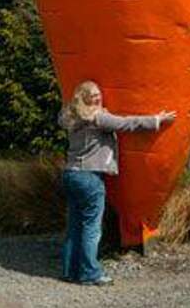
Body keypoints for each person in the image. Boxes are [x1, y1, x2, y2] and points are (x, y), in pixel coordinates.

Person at [58, 80, 176, 285]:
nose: (98, 97)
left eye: (98, 94)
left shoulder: (72, 118)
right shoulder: (98, 118)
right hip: (90, 177)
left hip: (71, 174)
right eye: (93, 95)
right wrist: (156, 119)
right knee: (91, 228)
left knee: (75, 226)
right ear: (84, 98)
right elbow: (126, 124)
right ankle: (90, 274)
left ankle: (70, 271)